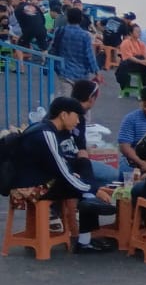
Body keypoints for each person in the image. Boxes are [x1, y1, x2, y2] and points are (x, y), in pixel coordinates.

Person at [10, 97, 118, 253]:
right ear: (63, 115)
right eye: (76, 116)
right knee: (81, 187)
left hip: (43, 180)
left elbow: (64, 164)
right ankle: (85, 234)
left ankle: (88, 203)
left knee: (82, 164)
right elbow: (62, 170)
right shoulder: (45, 134)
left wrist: (81, 180)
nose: (78, 121)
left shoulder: (53, 131)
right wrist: (94, 190)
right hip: (29, 186)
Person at [49, 7, 99, 91]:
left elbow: (53, 48)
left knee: (64, 101)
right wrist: (96, 71)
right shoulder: (85, 35)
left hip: (64, 71)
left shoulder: (59, 31)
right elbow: (90, 55)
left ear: (67, 18)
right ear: (81, 19)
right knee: (78, 101)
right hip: (82, 74)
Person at [115, 19, 146, 89]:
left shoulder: (141, 43)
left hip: (138, 63)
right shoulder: (126, 42)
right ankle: (127, 86)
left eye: (140, 31)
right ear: (131, 33)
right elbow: (128, 57)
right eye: (137, 31)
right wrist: (141, 62)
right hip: (128, 63)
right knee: (136, 64)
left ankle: (145, 86)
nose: (139, 33)